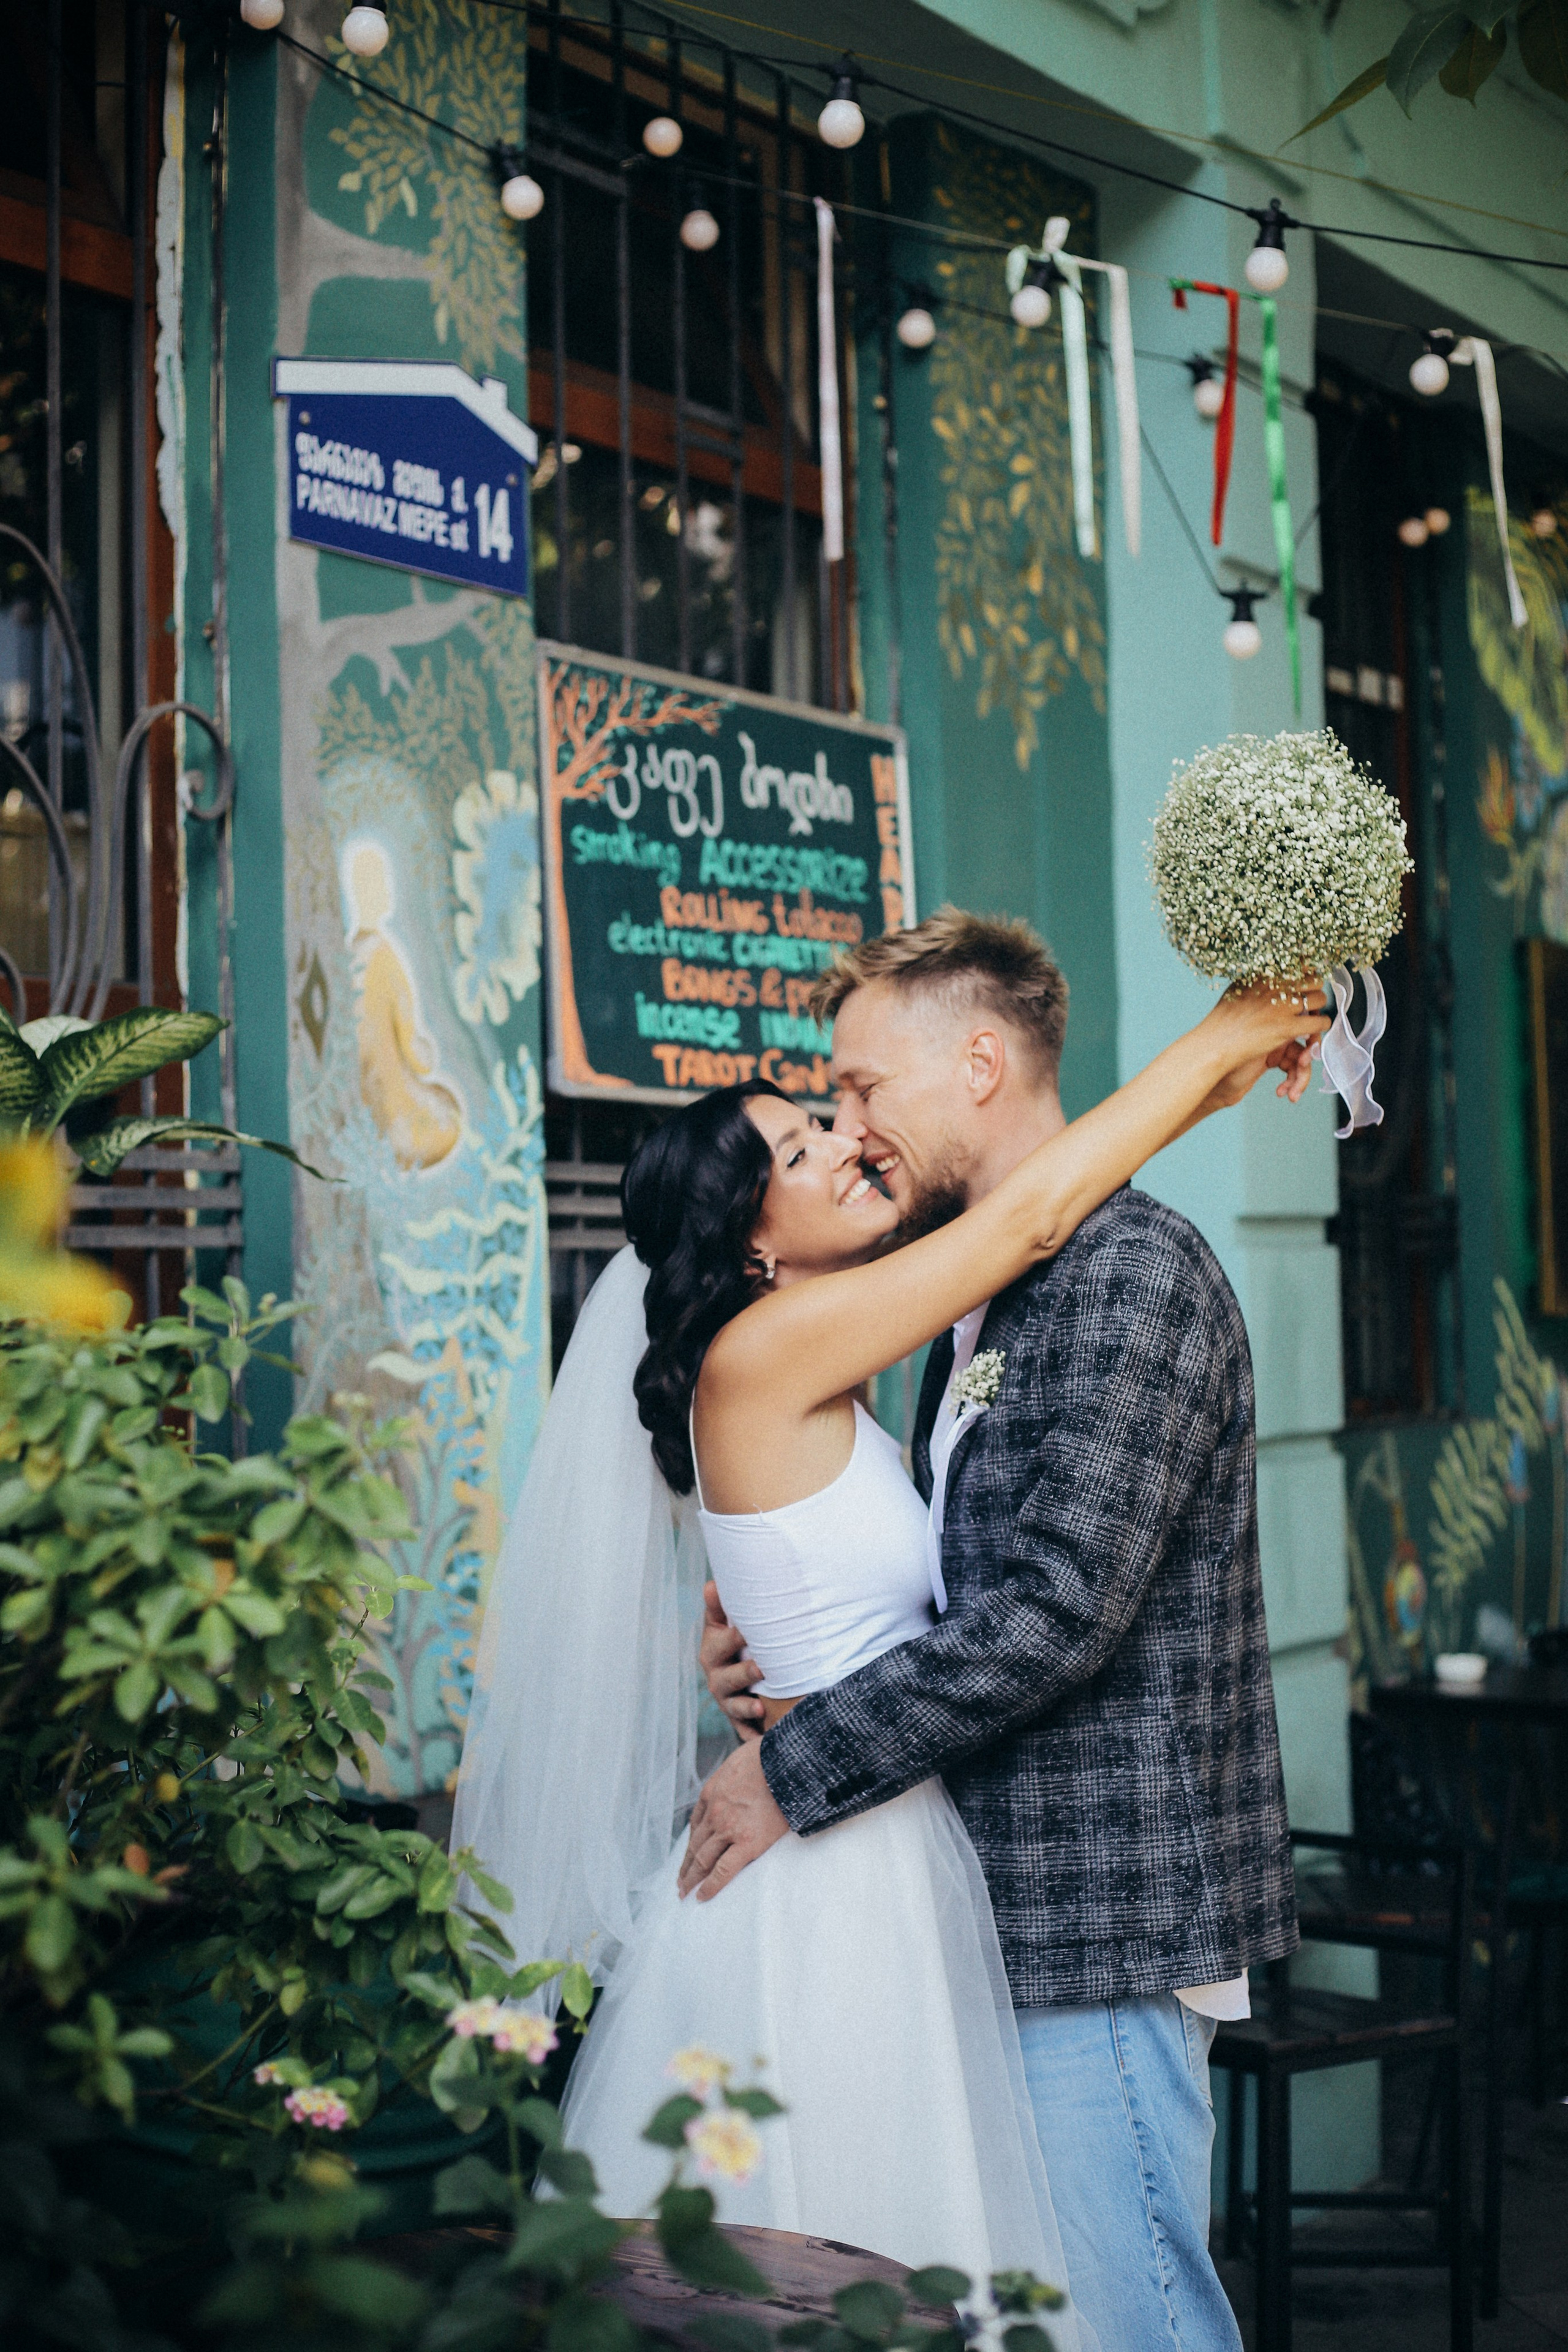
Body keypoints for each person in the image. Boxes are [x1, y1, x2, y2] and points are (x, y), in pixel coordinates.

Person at [450, 929, 1321, 2324]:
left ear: (976, 1063)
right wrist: (779, 1665)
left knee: (1115, 2310)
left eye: (854, 1091)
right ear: (744, 1230)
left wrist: (1230, 1048)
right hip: (931, 1902)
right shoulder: (914, 1312)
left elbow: (1048, 1610)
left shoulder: (1118, 1276)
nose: (850, 1132)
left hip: (1083, 1910)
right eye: (817, 1125)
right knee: (912, 2289)